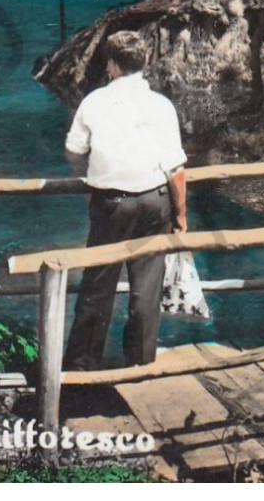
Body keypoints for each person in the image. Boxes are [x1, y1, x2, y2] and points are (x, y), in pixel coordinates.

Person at [62, 30, 189, 372]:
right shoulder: (161, 105)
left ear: (112, 65)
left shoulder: (94, 102)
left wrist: (89, 171)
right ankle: (140, 364)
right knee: (146, 288)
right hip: (155, 199)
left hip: (112, 203)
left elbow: (74, 151)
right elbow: (175, 167)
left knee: (98, 285)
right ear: (144, 62)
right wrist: (181, 215)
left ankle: (81, 366)